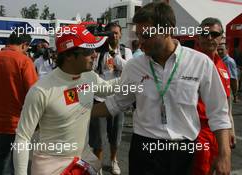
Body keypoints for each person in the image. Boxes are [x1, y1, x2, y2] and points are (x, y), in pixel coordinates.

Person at [92, 2, 231, 175]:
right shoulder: (134, 66)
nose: (141, 42)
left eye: (147, 35)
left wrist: (225, 154)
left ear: (167, 30)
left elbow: (218, 112)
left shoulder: (200, 63)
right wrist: (76, 111)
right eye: (139, 35)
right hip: (145, 151)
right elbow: (116, 103)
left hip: (184, 152)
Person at [13, 24, 119, 175]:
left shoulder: (89, 77)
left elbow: (109, 88)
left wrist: (139, 79)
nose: (95, 55)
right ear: (69, 55)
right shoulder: (40, 91)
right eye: (88, 51)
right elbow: (22, 139)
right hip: (51, 167)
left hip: (83, 161)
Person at [0, 31, 38, 175]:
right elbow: (33, 92)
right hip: (18, 119)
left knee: (0, 155)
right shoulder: (24, 61)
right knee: (16, 161)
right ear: (24, 45)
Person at [192, 17, 236, 175]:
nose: (209, 37)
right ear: (198, 37)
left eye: (214, 33)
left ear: (222, 37)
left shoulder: (222, 65)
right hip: (197, 133)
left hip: (218, 133)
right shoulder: (189, 62)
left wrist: (230, 129)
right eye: (204, 33)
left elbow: (226, 102)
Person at [90, 22, 132, 175]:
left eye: (116, 33)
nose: (114, 35)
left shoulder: (125, 51)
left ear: (120, 34)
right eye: (110, 33)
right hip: (99, 99)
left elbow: (129, 69)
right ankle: (97, 165)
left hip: (118, 100)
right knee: (98, 139)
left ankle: (114, 160)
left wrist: (114, 55)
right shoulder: (98, 51)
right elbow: (91, 70)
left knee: (115, 136)